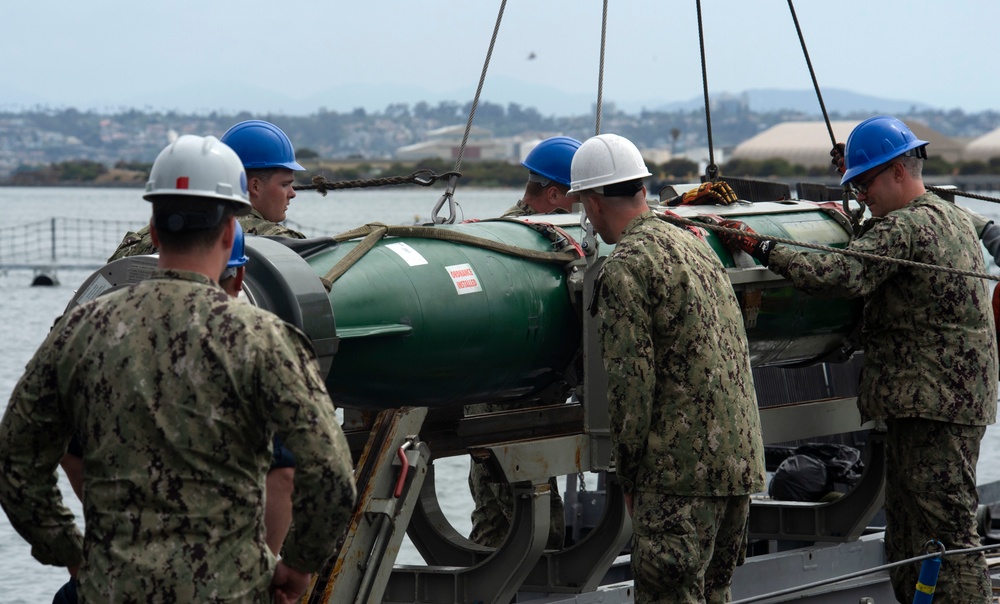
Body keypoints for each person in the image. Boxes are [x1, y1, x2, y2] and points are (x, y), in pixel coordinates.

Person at [0, 134, 357, 603]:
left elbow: (16, 460)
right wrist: (297, 565)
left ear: (153, 229)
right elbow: (330, 473)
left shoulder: (79, 331)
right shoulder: (264, 339)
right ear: (231, 233)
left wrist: (69, 548)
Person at [718, 115, 998, 602]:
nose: (860, 194)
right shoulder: (948, 216)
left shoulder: (909, 227)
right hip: (939, 404)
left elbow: (839, 273)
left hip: (932, 408)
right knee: (911, 538)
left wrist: (761, 245)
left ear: (897, 172)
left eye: (864, 182)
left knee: (948, 536)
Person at [568, 133, 766, 602]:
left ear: (593, 203)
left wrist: (630, 478)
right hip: (738, 468)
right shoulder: (695, 245)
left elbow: (629, 391)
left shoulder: (626, 267)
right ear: (640, 188)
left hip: (678, 481)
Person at [465, 136, 581, 551]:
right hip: (506, 414)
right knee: (525, 533)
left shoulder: (530, 237)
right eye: (578, 199)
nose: (584, 211)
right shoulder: (516, 242)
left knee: (516, 529)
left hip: (525, 410)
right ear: (553, 195)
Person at [107, 119, 307, 261]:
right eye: (284, 184)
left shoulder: (142, 239)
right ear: (254, 186)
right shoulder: (281, 242)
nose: (292, 193)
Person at [502, 136, 582, 217]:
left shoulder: (516, 222)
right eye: (579, 200)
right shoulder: (522, 226)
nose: (586, 207)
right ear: (553, 195)